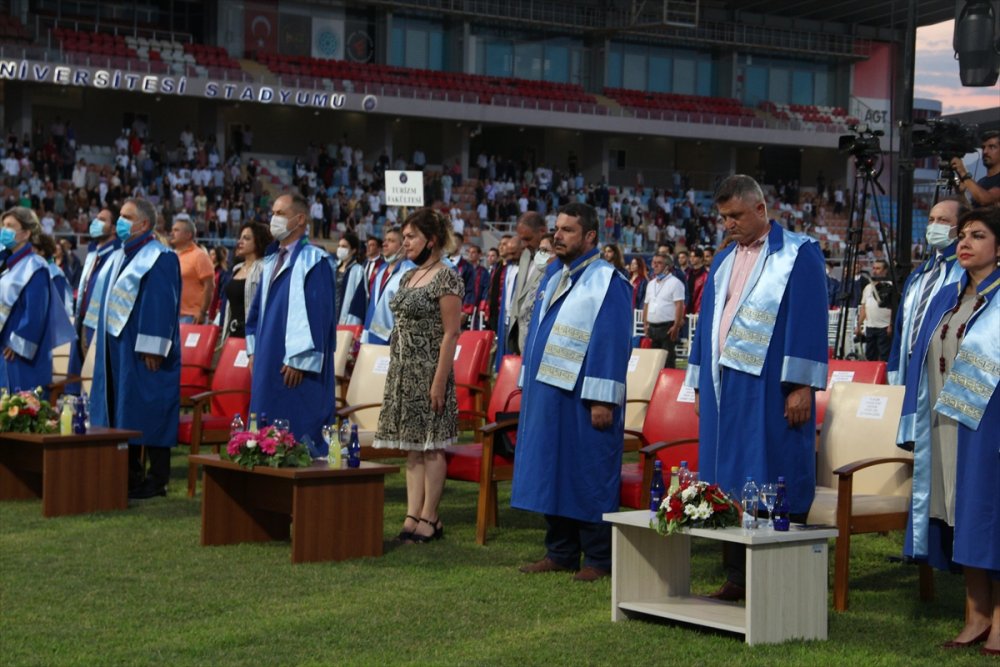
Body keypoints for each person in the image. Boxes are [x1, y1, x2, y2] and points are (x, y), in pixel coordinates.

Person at [686, 175, 828, 600]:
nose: (728, 224)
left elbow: (809, 319)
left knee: (774, 468)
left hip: (772, 385)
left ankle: (784, 571)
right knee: (728, 475)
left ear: (761, 210)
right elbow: (707, 324)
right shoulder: (723, 260)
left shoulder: (798, 254)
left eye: (735, 216)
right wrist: (697, 382)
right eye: (723, 217)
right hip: (723, 383)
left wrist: (801, 384)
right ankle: (737, 576)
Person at [897, 206, 1000, 655]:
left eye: (977, 235)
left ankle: (999, 622)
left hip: (989, 428)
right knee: (964, 517)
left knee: (991, 516)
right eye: (962, 234)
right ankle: (975, 615)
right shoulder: (948, 298)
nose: (963, 242)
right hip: (946, 426)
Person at [513, 202, 632, 582]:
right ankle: (560, 551)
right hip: (549, 390)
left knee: (588, 470)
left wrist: (602, 397)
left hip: (586, 395)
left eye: (567, 230)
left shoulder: (608, 282)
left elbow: (611, 343)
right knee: (554, 468)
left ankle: (598, 557)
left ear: (590, 236)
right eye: (557, 229)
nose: (557, 236)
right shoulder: (555, 275)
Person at [373, 209, 464, 543]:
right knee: (412, 448)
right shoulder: (408, 276)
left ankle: (431, 516)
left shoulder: (447, 277)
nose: (405, 243)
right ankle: (413, 514)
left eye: (411, 237)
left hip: (430, 372)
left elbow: (451, 334)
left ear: (432, 240)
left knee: (432, 447)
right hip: (403, 372)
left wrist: (439, 380)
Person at [87, 197, 181, 499]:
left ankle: (157, 479)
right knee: (121, 406)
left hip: (145, 348)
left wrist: (154, 347)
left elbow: (161, 304)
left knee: (151, 406)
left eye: (127, 217)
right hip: (116, 347)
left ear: (143, 224)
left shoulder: (160, 256)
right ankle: (128, 474)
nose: (120, 222)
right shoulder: (119, 255)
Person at [245, 194, 337, 447]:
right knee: (264, 430)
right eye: (272, 213)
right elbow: (256, 314)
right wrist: (253, 352)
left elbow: (320, 316)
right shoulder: (272, 260)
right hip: (267, 359)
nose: (273, 219)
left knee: (296, 433)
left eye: (280, 213)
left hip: (295, 367)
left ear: (299, 220)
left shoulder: (315, 262)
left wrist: (301, 359)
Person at [888, 196, 969, 385]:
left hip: (946, 370)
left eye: (943, 220)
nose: (934, 226)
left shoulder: (966, 273)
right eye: (931, 220)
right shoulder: (918, 275)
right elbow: (900, 329)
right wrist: (893, 369)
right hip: (909, 368)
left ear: (961, 229)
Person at [0, 207, 74, 392]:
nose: (4, 231)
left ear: (26, 233)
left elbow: (36, 312)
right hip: (4, 344)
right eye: (3, 226)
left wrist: (18, 343)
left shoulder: (36, 266)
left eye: (10, 226)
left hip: (20, 352)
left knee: (21, 406)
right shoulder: (6, 264)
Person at [69, 208, 121, 389]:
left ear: (114, 228)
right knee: (84, 375)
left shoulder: (118, 257)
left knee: (97, 378)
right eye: (96, 218)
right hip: (83, 322)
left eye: (102, 219)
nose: (96, 222)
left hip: (101, 326)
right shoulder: (92, 255)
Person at [361, 227, 416, 345]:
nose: (384, 244)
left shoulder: (410, 271)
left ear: (403, 245)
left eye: (391, 241)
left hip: (395, 340)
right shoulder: (381, 270)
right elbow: (373, 305)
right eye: (385, 240)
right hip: (373, 335)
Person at [220, 222, 271, 341]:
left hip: (253, 336)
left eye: (246, 238)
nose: (240, 242)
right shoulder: (236, 268)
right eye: (241, 237)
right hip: (232, 334)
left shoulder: (265, 268)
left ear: (258, 241)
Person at [506, 211, 546, 355]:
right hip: (518, 335)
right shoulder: (525, 255)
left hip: (537, 337)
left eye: (528, 239)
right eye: (521, 239)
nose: (523, 244)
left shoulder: (556, 259)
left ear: (542, 231)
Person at [643, 254, 686, 368]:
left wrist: (676, 326)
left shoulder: (675, 283)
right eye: (654, 262)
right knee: (652, 361)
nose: (655, 265)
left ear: (667, 266)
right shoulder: (651, 284)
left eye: (659, 262)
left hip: (667, 326)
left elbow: (679, 305)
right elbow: (646, 304)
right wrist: (645, 324)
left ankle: (667, 384)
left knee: (667, 359)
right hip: (652, 326)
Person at [170, 216, 215, 324]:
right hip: (171, 316)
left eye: (176, 230)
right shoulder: (171, 255)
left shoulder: (199, 256)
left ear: (188, 235)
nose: (172, 233)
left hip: (191, 317)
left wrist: (203, 312)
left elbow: (209, 286)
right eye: (172, 230)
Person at [855, 259, 894, 362]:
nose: (875, 271)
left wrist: (891, 324)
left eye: (878, 268)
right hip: (870, 326)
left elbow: (894, 307)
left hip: (884, 326)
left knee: (885, 355)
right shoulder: (868, 287)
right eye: (874, 268)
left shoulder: (891, 286)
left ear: (885, 270)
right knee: (870, 355)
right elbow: (864, 307)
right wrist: (859, 325)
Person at [950, 130, 1000, 207]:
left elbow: (985, 199)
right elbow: (973, 212)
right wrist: (961, 194)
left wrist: (963, 173)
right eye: (983, 148)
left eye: (992, 147)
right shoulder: (981, 182)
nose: (985, 152)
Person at [335, 232, 366, 326]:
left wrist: (353, 324)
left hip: (345, 320)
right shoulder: (334, 267)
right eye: (339, 246)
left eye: (344, 246)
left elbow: (359, 301)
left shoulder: (358, 270)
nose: (340, 249)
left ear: (353, 250)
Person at [462, 244, 490, 329]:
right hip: (462, 305)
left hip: (476, 306)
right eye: (469, 252)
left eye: (473, 252)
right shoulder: (463, 269)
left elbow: (486, 289)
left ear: (479, 255)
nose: (470, 254)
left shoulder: (484, 271)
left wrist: (483, 304)